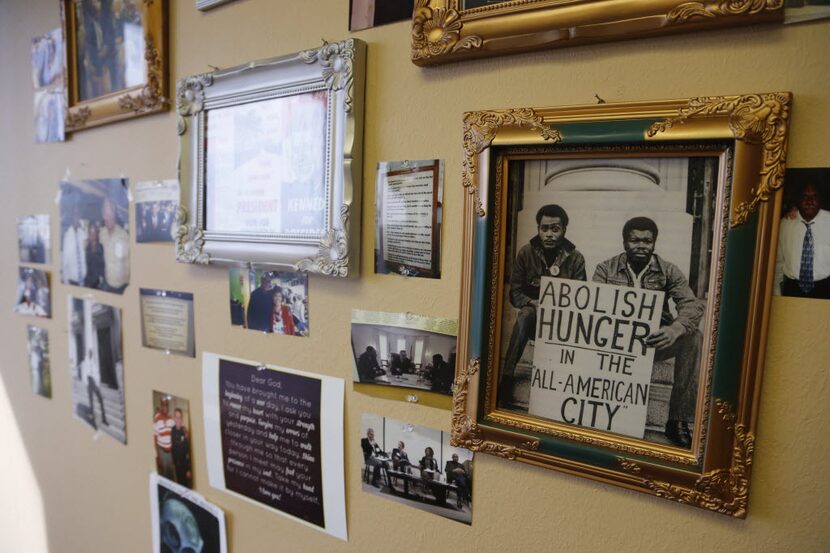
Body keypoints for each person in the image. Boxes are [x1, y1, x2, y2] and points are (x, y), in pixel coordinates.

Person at [593, 217, 705, 448]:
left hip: (653, 342)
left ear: (654, 243)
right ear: (624, 242)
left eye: (647, 241)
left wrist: (675, 328)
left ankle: (678, 420)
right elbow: (592, 308)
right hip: (615, 343)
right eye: (634, 240)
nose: (641, 246)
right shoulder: (605, 269)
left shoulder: (668, 270)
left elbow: (692, 304)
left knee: (694, 338)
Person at [501, 204, 587, 402]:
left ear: (564, 230)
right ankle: (506, 377)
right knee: (524, 314)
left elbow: (582, 299)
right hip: (535, 319)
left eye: (555, 229)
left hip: (562, 323)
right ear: (538, 229)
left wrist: (559, 309)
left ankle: (563, 380)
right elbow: (514, 292)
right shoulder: (525, 253)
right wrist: (533, 302)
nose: (549, 234)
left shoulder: (576, 259)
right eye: (544, 229)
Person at [775, 182, 830, 299]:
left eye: (814, 196)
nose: (809, 201)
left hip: (825, 289)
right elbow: (778, 262)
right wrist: (777, 293)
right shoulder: (784, 224)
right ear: (798, 199)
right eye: (805, 196)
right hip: (792, 289)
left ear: (821, 200)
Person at [99, 197, 130, 293]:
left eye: (109, 212)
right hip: (107, 285)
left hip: (122, 288)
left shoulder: (124, 235)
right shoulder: (102, 233)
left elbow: (131, 261)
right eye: (104, 212)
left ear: (114, 214)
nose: (107, 216)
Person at [81, 349, 108, 429]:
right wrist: (87, 384)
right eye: (89, 353)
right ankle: (93, 422)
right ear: (87, 354)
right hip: (89, 382)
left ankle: (104, 419)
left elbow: (96, 372)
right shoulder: (85, 363)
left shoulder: (93, 362)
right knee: (91, 402)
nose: (90, 354)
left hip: (94, 382)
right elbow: (84, 374)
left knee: (101, 400)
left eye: (91, 353)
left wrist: (98, 383)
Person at [61, 204, 87, 286]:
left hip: (84, 280)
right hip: (72, 282)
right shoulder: (67, 236)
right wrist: (66, 282)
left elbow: (86, 252)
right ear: (71, 217)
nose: (77, 217)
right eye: (75, 214)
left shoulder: (83, 234)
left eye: (78, 214)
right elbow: (65, 261)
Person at [153, 397, 176, 481]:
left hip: (170, 453)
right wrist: (158, 457)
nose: (165, 407)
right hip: (161, 453)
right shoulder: (157, 418)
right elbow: (154, 438)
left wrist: (184, 430)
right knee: (164, 478)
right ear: (161, 406)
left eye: (167, 405)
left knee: (172, 476)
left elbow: (176, 431)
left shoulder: (171, 419)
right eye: (163, 405)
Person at [171, 408, 191, 488]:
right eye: (176, 417)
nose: (178, 420)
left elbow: (188, 452)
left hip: (184, 465)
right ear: (174, 418)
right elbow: (173, 446)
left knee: (186, 485)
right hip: (177, 465)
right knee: (179, 484)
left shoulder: (184, 431)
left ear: (181, 419)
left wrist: (188, 469)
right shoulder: (172, 430)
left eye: (179, 417)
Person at [84, 223, 106, 289]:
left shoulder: (101, 247)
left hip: (98, 284)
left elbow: (103, 266)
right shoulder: (86, 248)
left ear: (97, 234)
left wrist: (101, 282)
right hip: (87, 282)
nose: (92, 235)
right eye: (90, 232)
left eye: (94, 232)